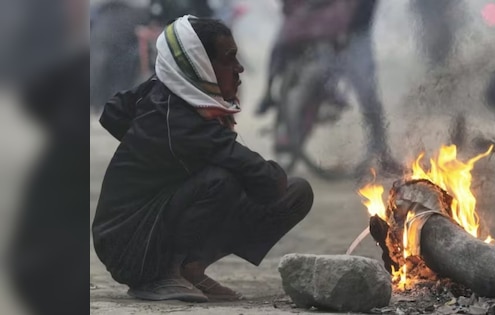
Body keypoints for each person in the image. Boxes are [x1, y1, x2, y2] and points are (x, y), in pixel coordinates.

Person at [92, 17, 313, 303]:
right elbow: (267, 182)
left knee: (296, 192)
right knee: (222, 179)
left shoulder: (167, 89)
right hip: (131, 248)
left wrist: (156, 158)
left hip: (146, 226)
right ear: (200, 65)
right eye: (229, 58)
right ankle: (160, 276)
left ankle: (189, 269)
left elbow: (114, 112)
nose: (240, 68)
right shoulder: (181, 121)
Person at [257, 0, 402, 176]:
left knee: (366, 90)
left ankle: (381, 153)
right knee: (281, 51)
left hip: (354, 29)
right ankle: (271, 96)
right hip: (314, 25)